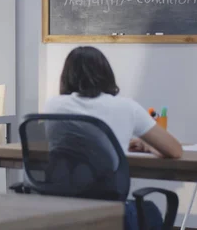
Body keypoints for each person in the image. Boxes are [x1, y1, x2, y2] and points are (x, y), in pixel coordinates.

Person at [43, 46, 182, 230]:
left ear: (66, 76)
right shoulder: (126, 107)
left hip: (61, 210)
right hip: (109, 210)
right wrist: (147, 146)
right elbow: (175, 150)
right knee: (150, 211)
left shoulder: (53, 105)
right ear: (106, 74)